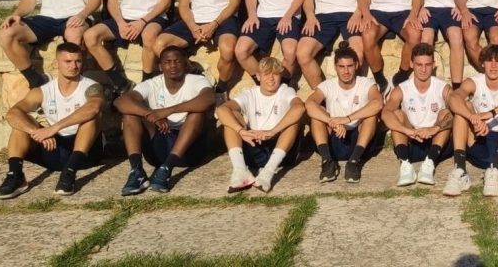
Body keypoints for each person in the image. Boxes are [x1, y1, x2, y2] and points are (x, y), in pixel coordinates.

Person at [0, 43, 104, 199]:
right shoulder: (43, 91)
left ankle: (69, 173)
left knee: (90, 118)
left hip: (86, 152)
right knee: (21, 124)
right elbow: (12, 114)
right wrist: (36, 132)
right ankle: (15, 176)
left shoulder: (91, 87)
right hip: (55, 147)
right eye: (68, 61)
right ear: (56, 63)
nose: (73, 66)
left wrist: (53, 128)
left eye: (78, 61)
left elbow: (94, 107)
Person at [116, 46, 215, 195]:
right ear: (160, 67)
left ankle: (166, 169)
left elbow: (209, 99)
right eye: (167, 62)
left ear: (185, 64)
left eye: (177, 61)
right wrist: (150, 114)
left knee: (197, 114)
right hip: (159, 147)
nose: (173, 66)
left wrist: (169, 110)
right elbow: (121, 101)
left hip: (188, 151)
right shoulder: (152, 83)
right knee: (130, 115)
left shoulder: (196, 80)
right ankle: (137, 171)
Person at [443, 44, 498, 197]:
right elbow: (454, 98)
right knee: (464, 107)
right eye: (489, 61)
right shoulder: (474, 81)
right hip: (481, 143)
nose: (494, 65)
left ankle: (494, 169)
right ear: (483, 63)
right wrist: (472, 117)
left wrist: (491, 113)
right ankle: (460, 170)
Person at [217, 56, 305, 193]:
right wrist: (241, 131)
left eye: (275, 74)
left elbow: (299, 108)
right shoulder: (250, 93)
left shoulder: (285, 90)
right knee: (231, 115)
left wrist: (272, 131)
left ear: (280, 76)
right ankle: (240, 171)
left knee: (294, 120)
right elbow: (221, 110)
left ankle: (268, 172)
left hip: (280, 147)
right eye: (266, 74)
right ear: (258, 76)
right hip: (254, 144)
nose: (271, 78)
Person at [304, 44, 383, 183]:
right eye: (341, 67)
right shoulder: (328, 85)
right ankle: (327, 161)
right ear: (335, 67)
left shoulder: (366, 83)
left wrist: (347, 119)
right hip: (334, 137)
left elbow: (377, 103)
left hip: (358, 139)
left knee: (371, 116)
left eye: (350, 66)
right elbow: (309, 104)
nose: (346, 71)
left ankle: (354, 162)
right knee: (317, 115)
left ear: (356, 65)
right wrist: (331, 121)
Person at [382, 44, 453, 187]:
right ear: (411, 64)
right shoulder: (402, 89)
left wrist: (434, 129)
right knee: (397, 114)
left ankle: (430, 163)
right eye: (419, 65)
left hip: (437, 141)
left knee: (446, 113)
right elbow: (385, 114)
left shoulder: (443, 87)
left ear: (433, 65)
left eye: (428, 64)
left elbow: (456, 113)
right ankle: (405, 164)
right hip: (412, 140)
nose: (423, 69)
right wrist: (408, 131)